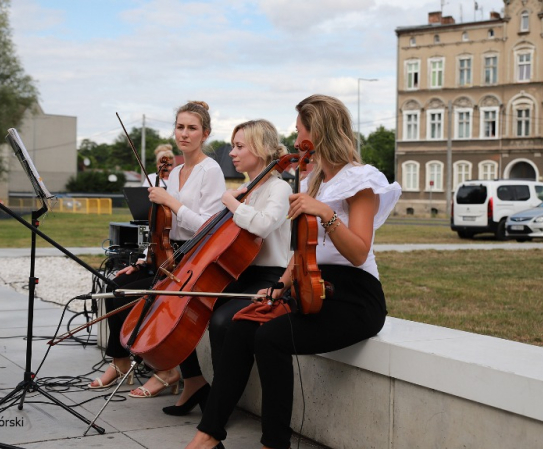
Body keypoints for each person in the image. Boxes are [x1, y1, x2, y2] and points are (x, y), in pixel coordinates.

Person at [186, 94, 402, 449]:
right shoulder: (315, 181)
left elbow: (359, 253)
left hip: (354, 297)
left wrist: (324, 213)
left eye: (300, 129)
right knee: (242, 324)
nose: (296, 137)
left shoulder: (362, 181)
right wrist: (280, 286)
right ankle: (208, 435)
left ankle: (275, 442)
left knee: (271, 338)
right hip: (312, 287)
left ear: (316, 132)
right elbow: (305, 251)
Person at [157, 118, 293, 416]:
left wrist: (231, 202)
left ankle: (221, 402)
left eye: (239, 146)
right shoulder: (247, 188)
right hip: (239, 272)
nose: (232, 152)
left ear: (260, 149)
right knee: (183, 304)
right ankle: (196, 383)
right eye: (233, 145)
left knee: (221, 322)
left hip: (269, 276)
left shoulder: (278, 189)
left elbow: (262, 225)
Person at [88, 101, 226, 395]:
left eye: (192, 128)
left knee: (148, 298)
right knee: (117, 286)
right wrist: (141, 260)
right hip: (164, 256)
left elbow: (208, 228)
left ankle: (166, 369)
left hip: (190, 259)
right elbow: (160, 229)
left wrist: (171, 201)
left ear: (205, 133)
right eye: (180, 127)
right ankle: (121, 360)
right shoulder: (173, 173)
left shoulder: (210, 170)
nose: (184, 134)